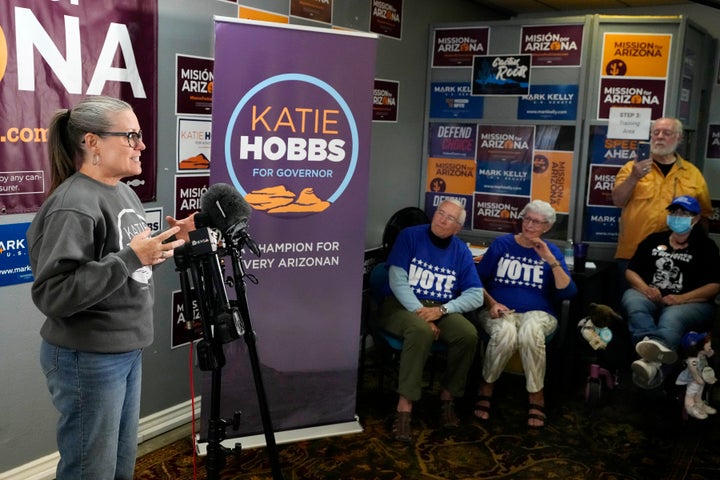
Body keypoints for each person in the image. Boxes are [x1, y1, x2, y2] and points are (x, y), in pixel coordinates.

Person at [26, 96, 195, 480]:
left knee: (118, 467)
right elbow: (54, 295)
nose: (142, 145)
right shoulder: (73, 204)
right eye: (131, 135)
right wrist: (132, 257)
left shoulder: (122, 191)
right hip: (87, 357)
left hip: (124, 350)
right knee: (91, 471)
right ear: (92, 143)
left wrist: (168, 241)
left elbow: (125, 259)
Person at [378, 199, 484, 442]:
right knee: (421, 331)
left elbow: (476, 294)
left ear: (457, 228)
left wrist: (443, 310)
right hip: (401, 305)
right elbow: (397, 279)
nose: (441, 219)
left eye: (450, 218)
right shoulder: (410, 236)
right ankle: (404, 408)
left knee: (467, 335)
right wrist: (421, 313)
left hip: (439, 308)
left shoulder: (460, 250)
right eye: (440, 213)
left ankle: (448, 399)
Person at [474, 200, 577, 428]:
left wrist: (549, 259)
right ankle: (487, 386)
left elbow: (568, 291)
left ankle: (536, 395)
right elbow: (476, 280)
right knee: (506, 332)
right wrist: (491, 303)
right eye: (527, 219)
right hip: (500, 310)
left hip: (539, 314)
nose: (530, 226)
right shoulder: (502, 244)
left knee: (531, 330)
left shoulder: (552, 252)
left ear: (547, 227)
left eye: (537, 222)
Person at [624, 195, 720, 390]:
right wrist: (646, 289)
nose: (677, 216)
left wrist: (680, 298)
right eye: (674, 212)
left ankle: (652, 366)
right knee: (632, 300)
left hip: (692, 302)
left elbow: (714, 286)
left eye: (683, 213)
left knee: (671, 317)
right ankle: (650, 346)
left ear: (695, 218)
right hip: (651, 295)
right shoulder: (654, 240)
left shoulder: (706, 247)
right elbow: (631, 271)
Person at [612, 117, 712, 277]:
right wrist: (634, 177)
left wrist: (700, 250)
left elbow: (704, 216)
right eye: (656, 132)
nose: (659, 137)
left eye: (667, 133)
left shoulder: (692, 173)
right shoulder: (631, 168)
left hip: (679, 255)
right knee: (632, 300)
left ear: (679, 138)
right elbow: (618, 201)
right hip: (634, 253)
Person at [675, 331, 717, 420]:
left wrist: (709, 351)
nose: (709, 344)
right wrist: (698, 379)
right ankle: (690, 407)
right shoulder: (693, 360)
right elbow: (693, 372)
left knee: (699, 391)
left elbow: (710, 354)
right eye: (707, 343)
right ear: (697, 346)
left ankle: (699, 403)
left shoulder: (701, 354)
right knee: (692, 392)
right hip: (692, 379)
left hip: (701, 376)